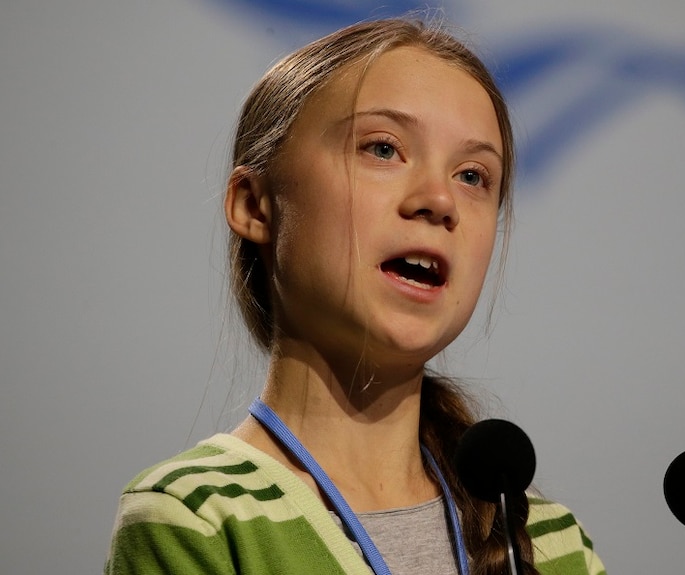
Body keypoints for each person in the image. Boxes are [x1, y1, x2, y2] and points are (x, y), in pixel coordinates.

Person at [105, 17, 606, 575]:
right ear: (254, 204)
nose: (440, 199)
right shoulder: (198, 519)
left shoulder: (549, 542)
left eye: (472, 175)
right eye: (384, 149)